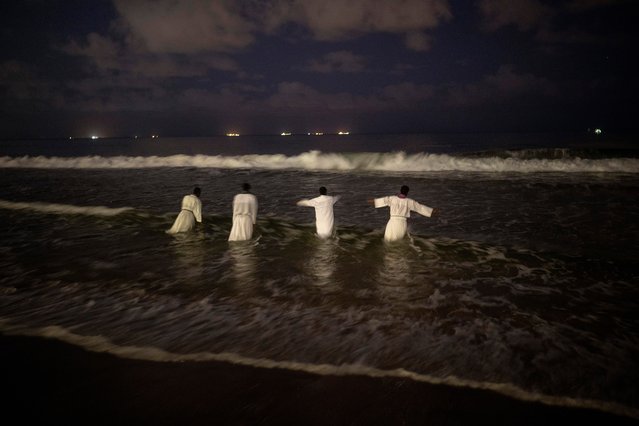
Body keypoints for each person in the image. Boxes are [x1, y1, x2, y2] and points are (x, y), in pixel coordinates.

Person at [370, 185, 436, 242]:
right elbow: (420, 208)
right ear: (407, 192)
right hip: (401, 224)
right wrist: (432, 211)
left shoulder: (392, 198)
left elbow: (380, 201)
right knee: (397, 243)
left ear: (400, 191)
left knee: (387, 240)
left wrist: (372, 201)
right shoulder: (410, 202)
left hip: (392, 222)